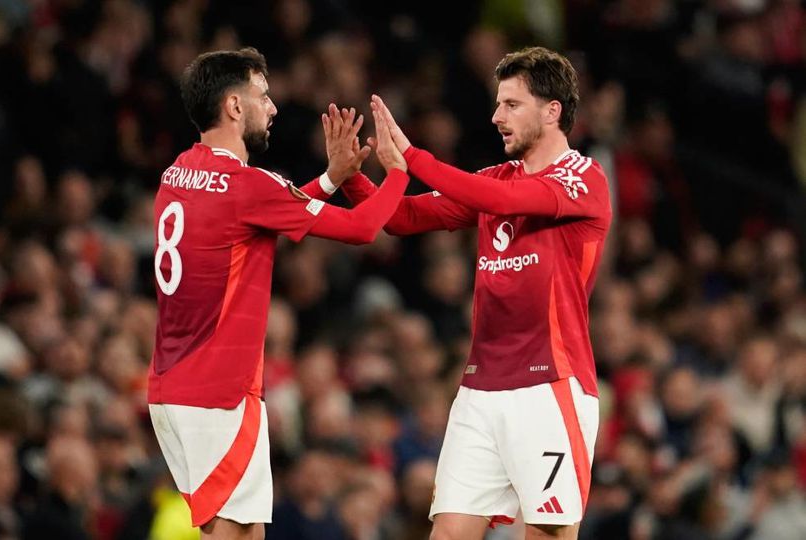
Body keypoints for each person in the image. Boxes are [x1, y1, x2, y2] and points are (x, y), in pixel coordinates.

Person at [341, 46, 612, 539]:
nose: (496, 117)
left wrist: (414, 157)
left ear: (552, 111)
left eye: (512, 104)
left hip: (550, 385)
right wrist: (351, 177)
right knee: (447, 532)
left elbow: (504, 200)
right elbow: (402, 218)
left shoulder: (583, 177)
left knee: (549, 533)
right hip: (480, 389)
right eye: (497, 104)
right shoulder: (494, 180)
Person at [147, 47, 409, 540]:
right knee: (233, 533)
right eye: (262, 96)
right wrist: (397, 172)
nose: (272, 108)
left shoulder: (178, 173)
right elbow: (362, 228)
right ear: (234, 106)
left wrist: (331, 178)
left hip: (173, 388)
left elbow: (260, 217)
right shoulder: (247, 185)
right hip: (219, 393)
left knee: (247, 532)